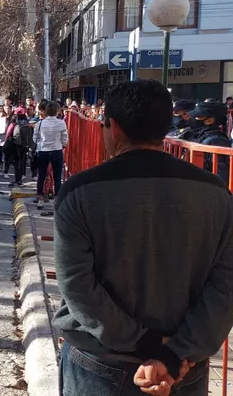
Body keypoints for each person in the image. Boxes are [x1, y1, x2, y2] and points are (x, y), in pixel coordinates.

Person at [55, 79, 232, 395]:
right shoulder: (216, 194)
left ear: (115, 128)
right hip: (184, 369)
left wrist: (146, 344)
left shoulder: (80, 192)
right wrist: (176, 352)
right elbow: (225, 285)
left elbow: (76, 285)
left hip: (102, 363)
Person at [32, 101, 69, 210]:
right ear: (58, 111)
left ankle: (40, 198)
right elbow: (65, 139)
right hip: (57, 151)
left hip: (43, 151)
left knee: (41, 175)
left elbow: (35, 139)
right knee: (57, 177)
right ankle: (57, 201)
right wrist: (61, 144)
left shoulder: (40, 124)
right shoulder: (61, 123)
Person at [187, 101, 231, 183]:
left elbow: (222, 176)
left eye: (197, 117)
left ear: (209, 120)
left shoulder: (217, 141)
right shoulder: (200, 136)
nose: (192, 119)